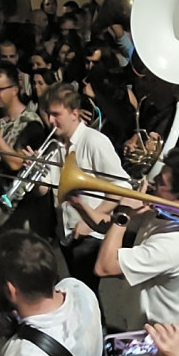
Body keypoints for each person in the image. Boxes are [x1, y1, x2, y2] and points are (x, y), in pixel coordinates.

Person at [94, 150, 179, 331]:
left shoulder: (178, 244)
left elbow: (104, 266)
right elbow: (109, 230)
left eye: (161, 181)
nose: (152, 180)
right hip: (132, 320)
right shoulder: (163, 212)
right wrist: (77, 203)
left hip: (151, 338)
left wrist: (123, 215)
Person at [43, 83, 130, 293]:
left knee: (85, 293)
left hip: (89, 234)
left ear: (74, 113)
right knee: (80, 290)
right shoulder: (55, 145)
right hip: (66, 231)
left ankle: (97, 326)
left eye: (56, 114)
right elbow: (44, 191)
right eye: (48, 114)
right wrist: (35, 168)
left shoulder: (94, 141)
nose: (50, 121)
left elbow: (121, 186)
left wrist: (90, 220)